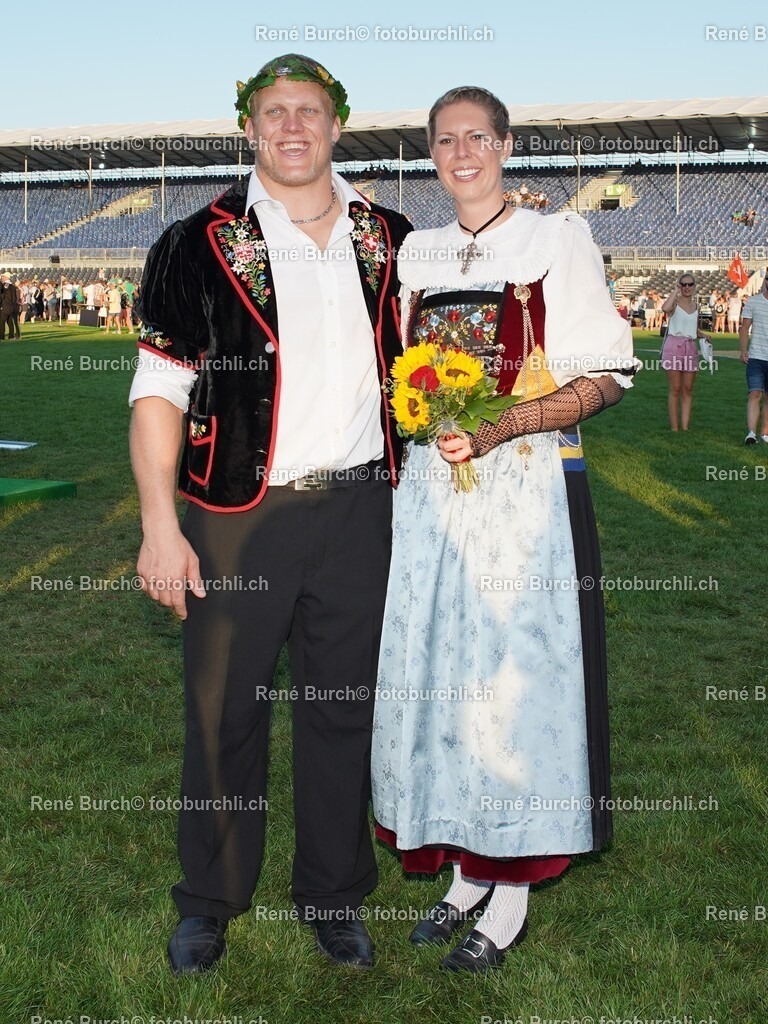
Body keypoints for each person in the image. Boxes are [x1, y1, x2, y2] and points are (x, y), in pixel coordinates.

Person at [128, 53, 410, 976]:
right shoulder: (197, 240)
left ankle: (333, 895)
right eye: (275, 111)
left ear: (338, 126)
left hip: (363, 510)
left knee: (342, 710)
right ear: (249, 127)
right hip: (235, 514)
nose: (294, 126)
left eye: (312, 111)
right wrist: (159, 525)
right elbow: (159, 389)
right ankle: (209, 899)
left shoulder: (390, 238)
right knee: (222, 712)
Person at [371, 85, 639, 974]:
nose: (461, 153)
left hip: (523, 492)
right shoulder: (419, 251)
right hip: (432, 494)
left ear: (507, 145)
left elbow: (602, 377)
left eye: (476, 137)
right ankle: (460, 867)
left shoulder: (555, 239)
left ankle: (510, 882)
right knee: (441, 673)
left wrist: (497, 428)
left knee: (512, 683)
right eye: (445, 141)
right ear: (432, 154)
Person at [660, 274, 707, 431]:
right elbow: (665, 309)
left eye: (690, 284)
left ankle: (685, 428)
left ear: (694, 286)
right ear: (679, 285)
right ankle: (675, 428)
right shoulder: (675, 302)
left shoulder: (696, 306)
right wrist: (675, 291)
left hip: (690, 348)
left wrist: (703, 335)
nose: (687, 287)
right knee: (675, 388)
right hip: (673, 346)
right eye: (683, 284)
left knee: (687, 389)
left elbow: (692, 328)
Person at [739, 271, 768, 444]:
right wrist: (743, 350)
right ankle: (751, 433)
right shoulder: (753, 301)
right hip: (756, 355)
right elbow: (744, 328)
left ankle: (764, 433)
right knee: (754, 393)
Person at [0, 272, 20, 340]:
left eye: (3, 277)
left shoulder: (4, 286)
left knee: (2, 322)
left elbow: (2, 296)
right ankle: (11, 336)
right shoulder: (13, 287)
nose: (2, 278)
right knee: (9, 321)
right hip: (12, 306)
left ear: (6, 277)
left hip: (5, 306)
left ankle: (1, 336)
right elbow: (14, 298)